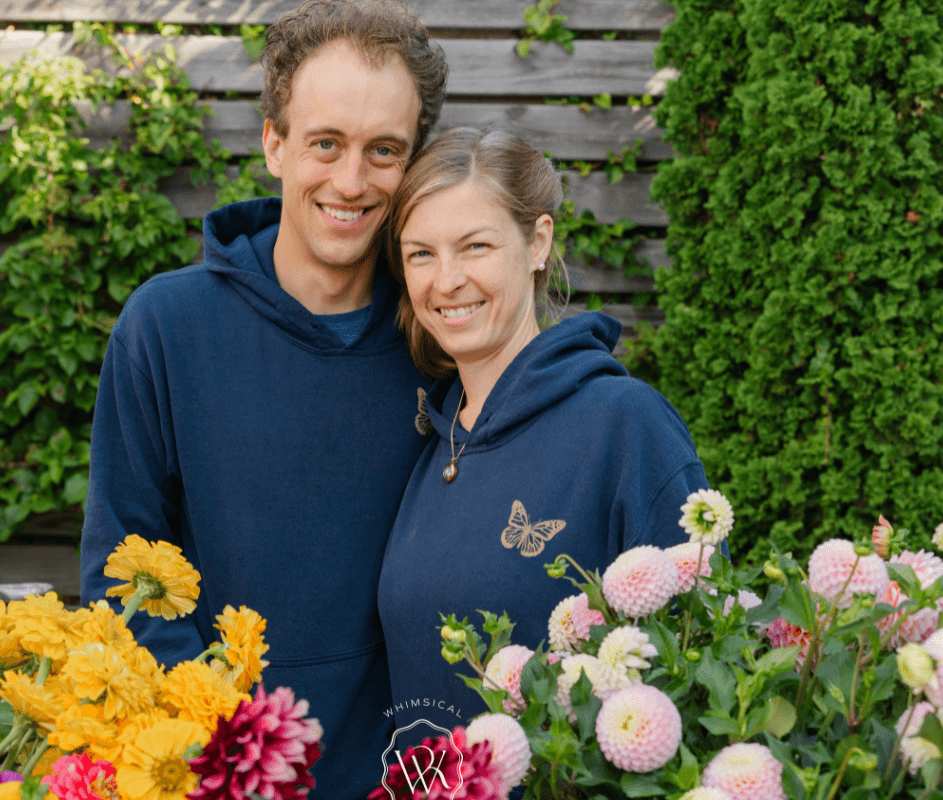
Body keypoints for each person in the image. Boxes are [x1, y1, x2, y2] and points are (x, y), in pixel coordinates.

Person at [78, 2, 448, 794]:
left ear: (413, 163)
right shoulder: (167, 327)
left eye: (384, 150)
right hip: (223, 771)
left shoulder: (446, 339)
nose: (351, 181)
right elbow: (121, 576)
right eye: (325, 143)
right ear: (274, 142)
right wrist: (236, 748)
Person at [376, 128, 710, 747]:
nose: (446, 281)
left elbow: (699, 672)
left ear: (538, 242)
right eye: (421, 254)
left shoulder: (624, 425)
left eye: (474, 246)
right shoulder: (433, 443)